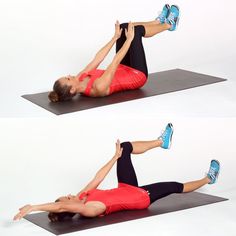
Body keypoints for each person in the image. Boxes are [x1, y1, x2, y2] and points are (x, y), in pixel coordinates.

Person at [13, 123, 220, 221]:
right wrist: (34, 207)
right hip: (140, 198)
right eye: (65, 199)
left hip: (126, 187)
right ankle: (208, 178)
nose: (69, 195)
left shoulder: (83, 196)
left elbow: (98, 177)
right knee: (175, 186)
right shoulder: (90, 209)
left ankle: (161, 142)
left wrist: (115, 157)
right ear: (69, 207)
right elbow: (61, 207)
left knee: (126, 148)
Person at [48, 4, 180, 102]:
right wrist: (129, 40)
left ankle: (156, 22)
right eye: (68, 78)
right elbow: (114, 62)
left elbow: (97, 59)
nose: (70, 75)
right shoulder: (98, 88)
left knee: (123, 27)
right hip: (136, 75)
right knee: (136, 32)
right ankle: (169, 25)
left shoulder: (80, 78)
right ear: (72, 89)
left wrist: (115, 37)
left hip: (123, 67)